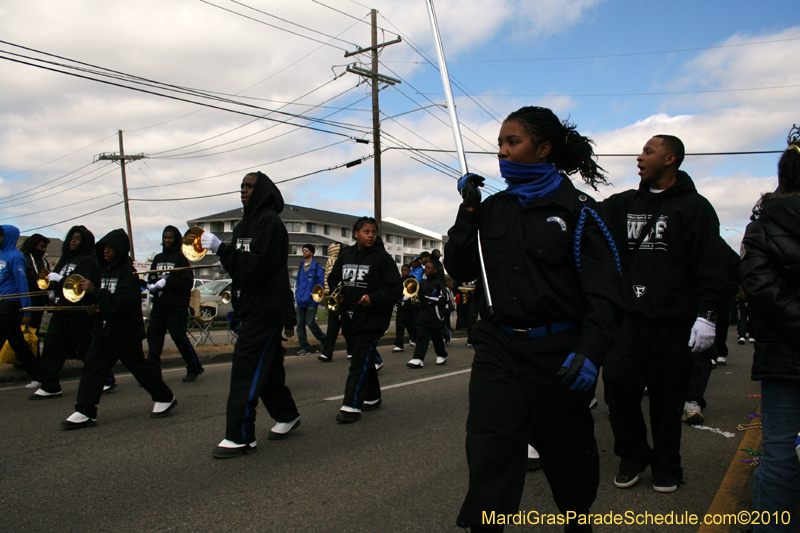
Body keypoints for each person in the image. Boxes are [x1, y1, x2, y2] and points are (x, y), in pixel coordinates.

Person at [445, 106, 624, 532]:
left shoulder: (581, 212)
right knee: (489, 451)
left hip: (557, 354)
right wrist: (468, 211)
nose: (502, 153)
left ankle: (578, 522)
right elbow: (461, 267)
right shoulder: (492, 209)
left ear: (543, 149)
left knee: (569, 457)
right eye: (499, 145)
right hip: (498, 349)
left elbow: (605, 294)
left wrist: (590, 352)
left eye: (513, 142)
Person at [600, 134, 727, 493]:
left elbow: (710, 266)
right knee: (618, 391)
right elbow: (585, 214)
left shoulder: (696, 208)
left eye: (648, 151)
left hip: (674, 324)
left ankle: (668, 466)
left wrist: (707, 315)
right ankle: (633, 455)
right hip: (628, 322)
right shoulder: (623, 204)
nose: (640, 157)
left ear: (670, 159)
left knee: (667, 401)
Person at [201, 172, 300, 458]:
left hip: (267, 310)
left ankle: (241, 437)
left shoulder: (271, 224)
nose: (243, 190)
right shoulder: (243, 224)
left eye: (249, 186)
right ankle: (287, 415)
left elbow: (258, 266)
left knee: (246, 370)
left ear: (262, 191)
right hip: (249, 307)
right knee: (265, 371)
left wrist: (222, 248)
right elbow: (240, 269)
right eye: (242, 185)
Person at [740, 126, 800, 532]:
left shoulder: (761, 226)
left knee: (778, 451)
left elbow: (760, 290)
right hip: (783, 352)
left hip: (784, 354)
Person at [60, 229, 177, 430]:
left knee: (140, 369)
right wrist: (94, 310)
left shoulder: (128, 273)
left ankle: (165, 397)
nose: (105, 251)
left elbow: (122, 301)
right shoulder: (103, 270)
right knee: (92, 368)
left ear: (120, 249)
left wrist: (96, 293)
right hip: (105, 331)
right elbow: (105, 300)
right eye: (103, 248)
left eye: (110, 248)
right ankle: (85, 411)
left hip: (125, 332)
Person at [327, 216, 402, 423]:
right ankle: (373, 396)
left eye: (373, 232)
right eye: (366, 232)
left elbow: (394, 288)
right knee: (364, 359)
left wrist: (374, 298)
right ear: (355, 234)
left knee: (358, 361)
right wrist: (337, 293)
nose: (371, 235)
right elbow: (334, 279)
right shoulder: (345, 256)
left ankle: (351, 405)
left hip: (372, 320)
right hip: (349, 318)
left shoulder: (383, 258)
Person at [29, 226, 101, 399]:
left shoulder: (88, 260)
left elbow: (83, 286)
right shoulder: (66, 259)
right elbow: (55, 277)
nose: (73, 241)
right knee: (51, 347)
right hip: (62, 310)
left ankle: (105, 378)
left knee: (86, 350)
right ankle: (50, 385)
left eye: (77, 238)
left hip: (79, 313)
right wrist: (53, 287)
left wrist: (61, 280)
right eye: (71, 238)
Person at [146, 225, 204, 382]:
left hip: (175, 307)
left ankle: (194, 367)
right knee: (153, 340)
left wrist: (168, 281)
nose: (167, 240)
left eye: (170, 237)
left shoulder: (181, 259)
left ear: (176, 239)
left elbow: (187, 284)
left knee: (179, 338)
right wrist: (151, 285)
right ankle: (153, 374)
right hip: (159, 307)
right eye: (165, 237)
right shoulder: (157, 258)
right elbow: (151, 278)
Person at [0, 225, 39, 381]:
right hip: (2, 302)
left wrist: (26, 310)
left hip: (10, 303)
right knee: (17, 343)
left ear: (8, 236)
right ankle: (38, 375)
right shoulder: (2, 254)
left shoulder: (16, 257)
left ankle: (39, 375)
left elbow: (23, 284)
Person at [406, 259, 448, 368]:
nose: (426, 270)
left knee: (436, 337)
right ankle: (418, 358)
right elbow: (419, 297)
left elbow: (444, 298)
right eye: (425, 268)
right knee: (421, 337)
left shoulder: (439, 283)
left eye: (429, 268)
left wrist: (427, 299)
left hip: (435, 315)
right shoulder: (423, 283)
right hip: (423, 315)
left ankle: (441, 354)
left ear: (435, 270)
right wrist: (416, 301)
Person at [317, 242, 354, 362]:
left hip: (348, 301)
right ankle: (327, 353)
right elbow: (331, 279)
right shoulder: (338, 264)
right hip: (337, 299)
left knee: (347, 327)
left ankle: (351, 351)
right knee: (332, 327)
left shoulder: (353, 265)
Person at [294, 243, 326, 355]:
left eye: (306, 250)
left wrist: (315, 297)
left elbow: (320, 284)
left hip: (311, 301)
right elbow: (298, 281)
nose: (304, 252)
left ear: (311, 252)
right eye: (303, 250)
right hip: (300, 300)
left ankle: (324, 340)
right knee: (300, 325)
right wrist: (297, 294)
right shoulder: (300, 265)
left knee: (311, 322)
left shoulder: (317, 267)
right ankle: (304, 347)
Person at [18, 233, 50, 334]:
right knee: (23, 329)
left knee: (34, 329)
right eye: (42, 247)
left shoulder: (44, 261)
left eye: (45, 247)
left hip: (40, 299)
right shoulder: (24, 258)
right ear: (33, 245)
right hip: (27, 297)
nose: (44, 250)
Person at [393, 264, 417, 353]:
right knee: (399, 325)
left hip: (409, 307)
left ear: (409, 271)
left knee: (411, 326)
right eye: (402, 270)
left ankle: (418, 340)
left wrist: (405, 297)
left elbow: (412, 291)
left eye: (405, 270)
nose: (404, 272)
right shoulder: (400, 280)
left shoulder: (412, 279)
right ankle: (399, 344)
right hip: (401, 307)